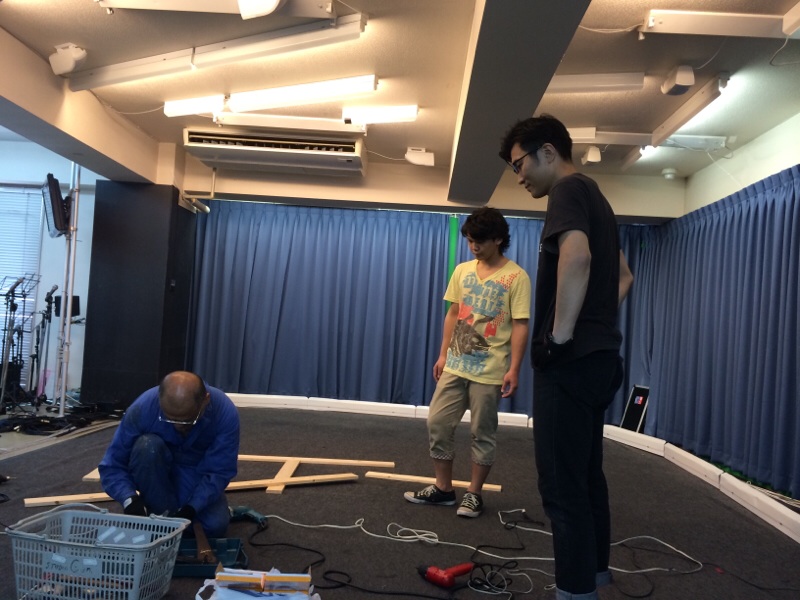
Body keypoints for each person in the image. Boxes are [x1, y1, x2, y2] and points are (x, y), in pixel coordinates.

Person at [499, 115, 633, 600]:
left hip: (572, 362)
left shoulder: (567, 191)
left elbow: (577, 258)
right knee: (586, 474)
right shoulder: (598, 197)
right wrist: (593, 321)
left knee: (561, 486)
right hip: (601, 359)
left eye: (519, 164)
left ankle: (576, 593)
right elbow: (623, 276)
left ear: (549, 152)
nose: (519, 176)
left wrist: (558, 339)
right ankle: (593, 576)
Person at [404, 207, 530, 518]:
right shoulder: (462, 271)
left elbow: (520, 324)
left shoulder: (516, 277)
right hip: (456, 364)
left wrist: (514, 368)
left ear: (498, 239)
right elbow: (453, 313)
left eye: (479, 241)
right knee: (437, 422)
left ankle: (474, 494)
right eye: (470, 241)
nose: (473, 246)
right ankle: (444, 489)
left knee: (482, 432)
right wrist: (443, 354)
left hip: (490, 369)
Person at [99, 370, 240, 538]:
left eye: (187, 420)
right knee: (147, 446)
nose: (178, 426)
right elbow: (112, 465)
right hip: (154, 469)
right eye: (170, 419)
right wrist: (129, 499)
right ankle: (159, 512)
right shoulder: (143, 407)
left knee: (215, 526)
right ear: (160, 401)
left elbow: (219, 471)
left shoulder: (224, 412)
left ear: (205, 401)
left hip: (195, 472)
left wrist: (192, 507)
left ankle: (161, 515)